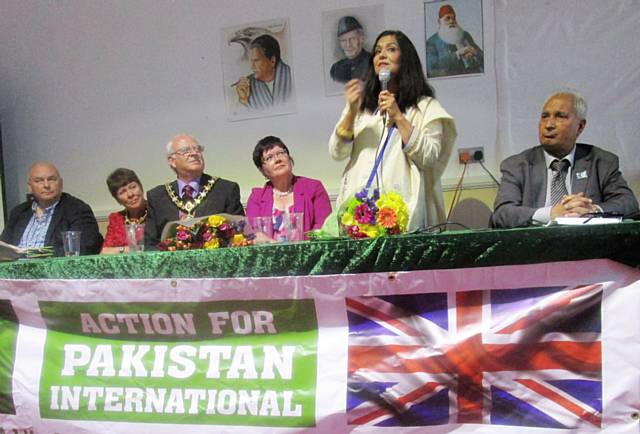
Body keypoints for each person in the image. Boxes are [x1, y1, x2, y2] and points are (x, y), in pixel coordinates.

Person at [329, 30, 457, 230]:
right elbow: (337, 152)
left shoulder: (425, 107)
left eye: (391, 49)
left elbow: (430, 157)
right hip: (360, 218)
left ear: (405, 58)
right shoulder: (361, 106)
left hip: (402, 217)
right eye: (378, 51)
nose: (381, 55)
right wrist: (351, 112)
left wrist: (398, 116)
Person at [491, 90, 639, 228]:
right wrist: (550, 214)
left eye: (560, 116)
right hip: (535, 250)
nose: (549, 125)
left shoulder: (601, 162)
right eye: (545, 116)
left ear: (580, 127)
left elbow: (628, 203)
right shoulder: (516, 165)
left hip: (588, 246)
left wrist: (592, 209)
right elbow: (502, 213)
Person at [144, 134, 245, 248]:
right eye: (185, 150)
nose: (194, 153)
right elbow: (150, 245)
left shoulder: (226, 189)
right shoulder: (157, 197)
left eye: (197, 149)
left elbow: (239, 235)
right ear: (172, 161)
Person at [0, 161, 103, 256]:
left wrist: (37, 257)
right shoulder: (18, 212)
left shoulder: (77, 209)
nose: (46, 185)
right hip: (14, 273)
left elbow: (83, 248)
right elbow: (3, 248)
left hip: (55, 273)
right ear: (30, 187)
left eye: (51, 179)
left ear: (61, 184)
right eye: (39, 181)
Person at [246, 136, 332, 240]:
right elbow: (254, 234)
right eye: (269, 158)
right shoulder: (257, 198)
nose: (277, 159)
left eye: (281, 153)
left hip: (309, 254)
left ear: (289, 158)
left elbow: (323, 229)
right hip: (270, 255)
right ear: (262, 170)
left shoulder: (313, 188)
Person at [234, 34, 293, 110]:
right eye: (252, 61)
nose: (252, 67)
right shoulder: (247, 86)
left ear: (272, 61)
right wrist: (243, 100)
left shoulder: (292, 77)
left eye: (256, 60)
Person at [426, 4, 484, 77]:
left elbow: (484, 58)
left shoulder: (465, 35)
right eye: (447, 18)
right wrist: (457, 54)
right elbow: (431, 66)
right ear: (439, 22)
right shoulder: (431, 42)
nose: (451, 21)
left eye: (454, 18)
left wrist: (475, 53)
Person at [101, 168, 147, 254]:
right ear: (117, 200)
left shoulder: (156, 211)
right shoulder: (116, 219)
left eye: (133, 187)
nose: (130, 194)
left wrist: (119, 250)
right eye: (122, 192)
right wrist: (128, 249)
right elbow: (105, 252)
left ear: (141, 187)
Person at [330, 16, 371, 84]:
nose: (348, 45)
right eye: (343, 40)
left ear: (362, 39)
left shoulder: (373, 63)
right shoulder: (335, 69)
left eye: (352, 39)